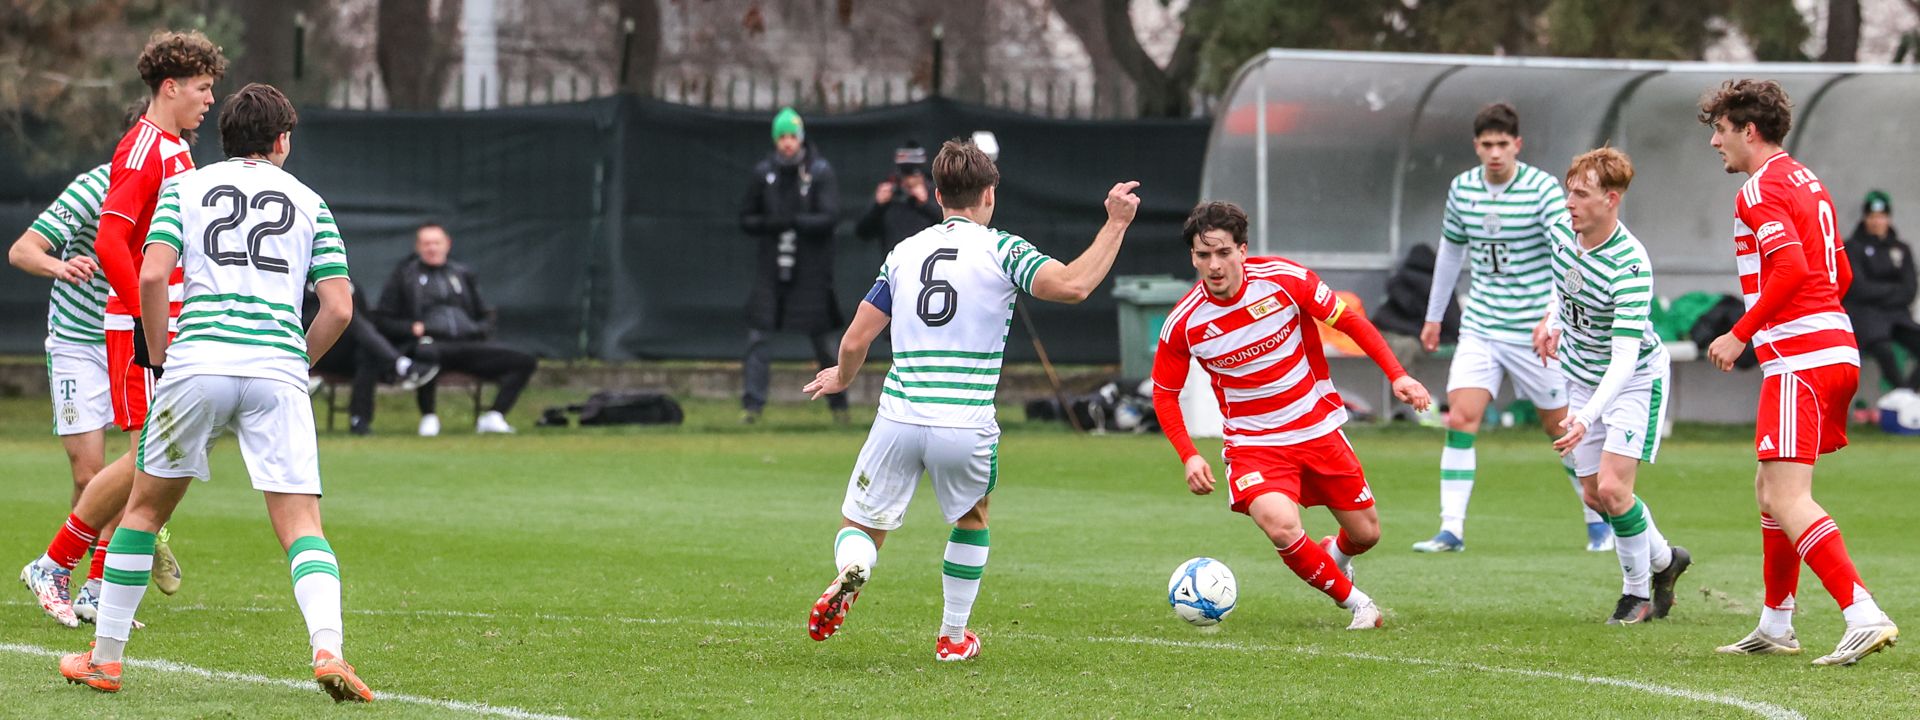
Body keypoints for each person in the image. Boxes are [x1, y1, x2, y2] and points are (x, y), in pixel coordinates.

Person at [59, 82, 375, 702]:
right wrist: (293, 360)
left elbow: (152, 271)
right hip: (277, 371)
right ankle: (328, 648)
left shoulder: (183, 187)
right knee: (302, 524)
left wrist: (158, 353)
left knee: (145, 512)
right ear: (282, 140)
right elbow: (339, 307)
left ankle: (106, 661)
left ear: (226, 138)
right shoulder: (311, 201)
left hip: (197, 361)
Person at [799, 138, 1139, 661]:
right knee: (972, 517)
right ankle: (953, 637)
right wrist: (1116, 222)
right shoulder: (1003, 249)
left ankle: (855, 568)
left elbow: (854, 341)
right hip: (964, 421)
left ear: (937, 196)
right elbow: (1072, 285)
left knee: (861, 525)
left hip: (899, 416)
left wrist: (843, 379)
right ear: (989, 194)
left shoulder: (904, 252)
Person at [19, 30, 223, 628]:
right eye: (204, 88)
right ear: (171, 87)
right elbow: (111, 240)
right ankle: (57, 565)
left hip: (166, 322)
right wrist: (143, 315)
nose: (209, 100)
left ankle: (94, 583)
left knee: (157, 458)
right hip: (136, 326)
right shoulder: (142, 151)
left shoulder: (175, 150)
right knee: (144, 458)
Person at [1153, 201, 1432, 631]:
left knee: (1366, 534)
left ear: (1243, 250)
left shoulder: (1286, 280)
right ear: (1192, 257)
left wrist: (1398, 376)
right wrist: (1188, 454)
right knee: (1281, 527)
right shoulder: (1184, 323)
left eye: (1223, 252)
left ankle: (1333, 556)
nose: (1214, 264)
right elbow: (1165, 394)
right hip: (1254, 447)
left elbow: (1351, 323)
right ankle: (1360, 605)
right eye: (1203, 255)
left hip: (1316, 427)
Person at [1699, 79, 1898, 665]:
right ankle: (1776, 623)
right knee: (1769, 489)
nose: (1715, 142)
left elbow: (1788, 268)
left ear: (1748, 130)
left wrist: (1741, 333)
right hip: (1834, 349)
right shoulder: (1808, 180)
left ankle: (1862, 612)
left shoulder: (1759, 190)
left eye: (1720, 130)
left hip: (1801, 358)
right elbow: (1838, 274)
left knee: (1787, 495)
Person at [1415, 102, 1610, 554]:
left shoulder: (1543, 190)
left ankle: (1596, 521)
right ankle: (1451, 529)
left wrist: (1552, 316)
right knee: (1461, 417)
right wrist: (1433, 314)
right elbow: (1450, 254)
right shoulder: (1462, 189)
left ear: (1517, 145)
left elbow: (1567, 253)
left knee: (1560, 427)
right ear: (1476, 147)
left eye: (1503, 144)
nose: (1495, 152)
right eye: (1487, 145)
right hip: (1481, 325)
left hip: (1532, 331)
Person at [1533, 148, 1690, 625]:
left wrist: (1583, 416)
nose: (1569, 203)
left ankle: (1636, 594)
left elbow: (1623, 358)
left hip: (1633, 381)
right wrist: (1549, 319)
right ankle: (1665, 560)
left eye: (1580, 194)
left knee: (1615, 490)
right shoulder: (1564, 232)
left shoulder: (1630, 264)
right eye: (1569, 191)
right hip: (1580, 375)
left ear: (1611, 199)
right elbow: (1564, 287)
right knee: (1594, 496)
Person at [374, 223, 537, 436]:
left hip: (468, 345)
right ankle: (429, 417)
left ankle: (494, 415)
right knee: (426, 353)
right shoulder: (404, 276)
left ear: (447, 245)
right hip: (430, 345)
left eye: (436, 243)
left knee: (524, 360)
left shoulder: (462, 274)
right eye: (426, 243)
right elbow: (383, 320)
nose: (432, 248)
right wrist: (411, 328)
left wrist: (477, 329)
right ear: (418, 247)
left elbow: (485, 314)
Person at [739, 106, 847, 424]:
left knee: (824, 340)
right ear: (775, 140)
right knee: (757, 336)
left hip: (810, 272)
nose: (787, 143)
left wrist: (796, 222)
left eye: (792, 136)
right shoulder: (764, 173)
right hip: (771, 270)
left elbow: (830, 217)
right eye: (782, 137)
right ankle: (752, 408)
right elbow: (746, 218)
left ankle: (839, 408)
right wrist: (772, 224)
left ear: (800, 139)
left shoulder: (820, 171)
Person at [304, 281, 438, 435]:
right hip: (312, 353)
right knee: (343, 314)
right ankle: (399, 365)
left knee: (368, 352)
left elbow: (367, 320)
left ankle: (359, 419)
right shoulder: (299, 281)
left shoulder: (346, 282)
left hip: (345, 354)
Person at [1842, 190, 1919, 395]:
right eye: (1873, 217)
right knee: (1883, 350)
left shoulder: (1901, 248)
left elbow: (1910, 291)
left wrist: (1879, 292)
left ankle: (1908, 395)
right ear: (1865, 218)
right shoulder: (1852, 247)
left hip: (1897, 316)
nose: (1877, 222)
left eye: (1881, 217)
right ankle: (1902, 395)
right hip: (1866, 317)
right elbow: (1857, 288)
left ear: (1889, 218)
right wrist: (1893, 289)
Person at [855, 140, 942, 247]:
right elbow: (863, 233)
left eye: (913, 175)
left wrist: (925, 205)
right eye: (905, 175)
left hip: (928, 259)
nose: (908, 181)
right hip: (894, 259)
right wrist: (878, 206)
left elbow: (951, 227)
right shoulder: (890, 194)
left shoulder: (934, 193)